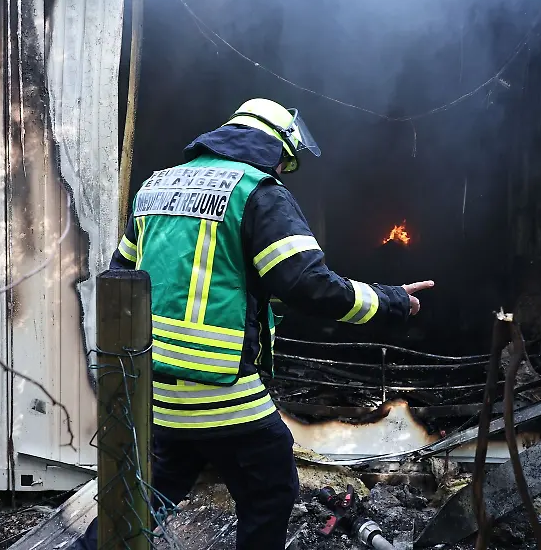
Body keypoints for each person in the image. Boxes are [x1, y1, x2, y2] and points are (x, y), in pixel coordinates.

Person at [108, 98, 433, 550]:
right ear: (272, 144)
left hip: (157, 388)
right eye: (285, 158)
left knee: (148, 498)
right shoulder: (258, 192)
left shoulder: (155, 187)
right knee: (273, 487)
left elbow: (122, 275)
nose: (282, 168)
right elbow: (308, 283)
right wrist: (389, 301)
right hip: (223, 387)